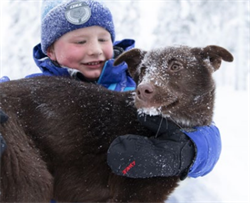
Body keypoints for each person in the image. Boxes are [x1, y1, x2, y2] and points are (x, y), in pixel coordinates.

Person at [0, 0, 221, 202]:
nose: (94, 49)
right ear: (51, 52)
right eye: (80, 41)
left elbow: (207, 132)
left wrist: (189, 150)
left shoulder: (139, 88)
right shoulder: (34, 89)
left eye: (103, 39)